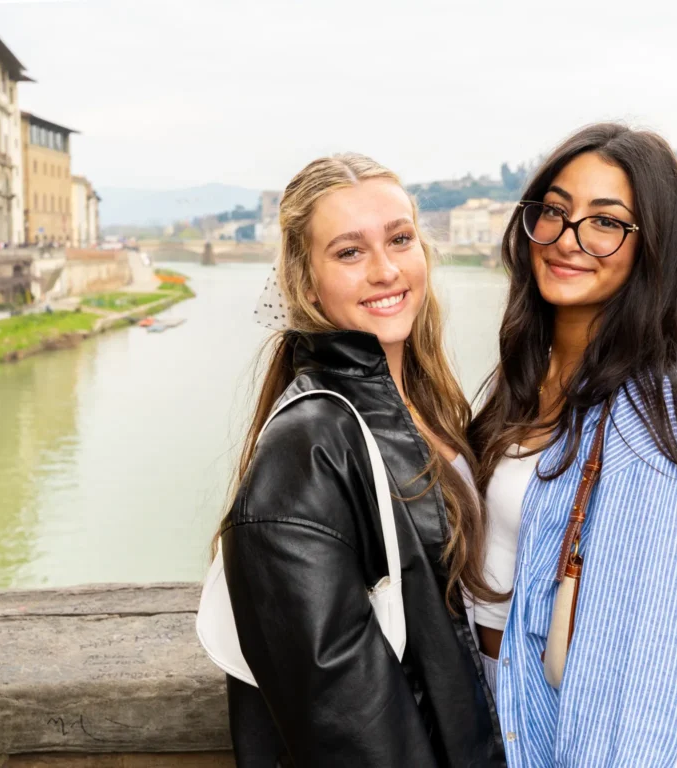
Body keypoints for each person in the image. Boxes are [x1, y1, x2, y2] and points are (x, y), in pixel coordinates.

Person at [216, 153, 505, 767]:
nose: (385, 269)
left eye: (400, 239)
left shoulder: (430, 405)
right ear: (305, 279)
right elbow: (350, 731)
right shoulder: (306, 450)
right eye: (349, 252)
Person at [469, 124, 677, 768]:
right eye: (556, 212)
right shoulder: (528, 378)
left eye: (606, 223)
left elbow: (645, 670)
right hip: (507, 722)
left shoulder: (647, 418)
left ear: (652, 249)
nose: (569, 239)